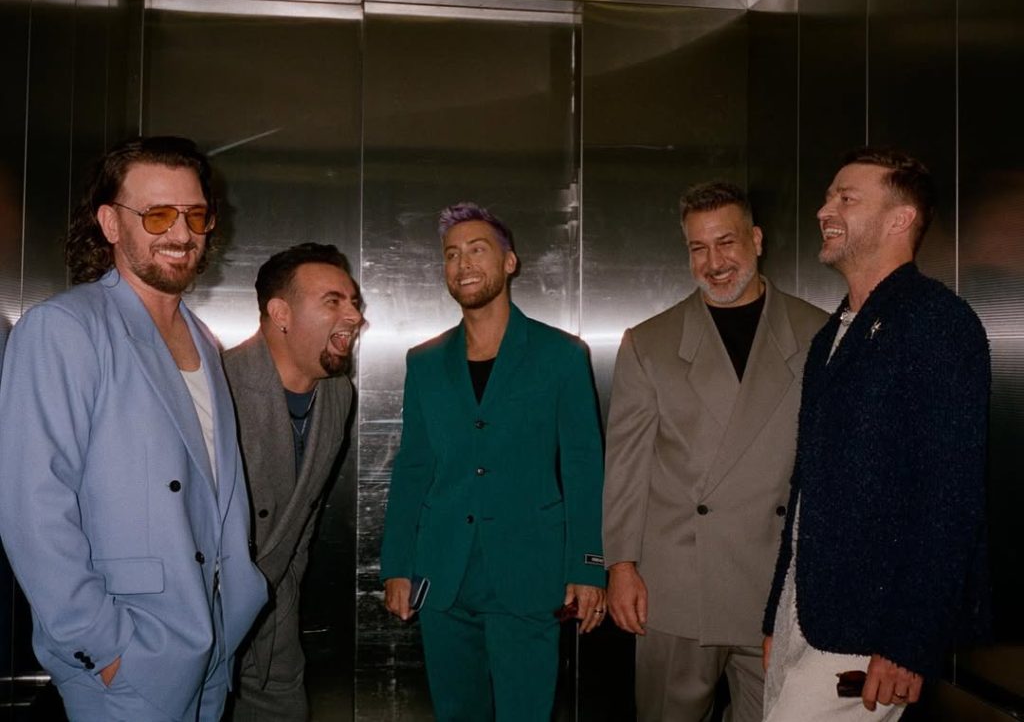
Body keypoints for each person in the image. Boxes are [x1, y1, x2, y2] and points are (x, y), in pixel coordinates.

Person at [0, 136, 267, 721]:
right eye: (157, 214)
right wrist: (105, 648)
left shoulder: (204, 340)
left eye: (195, 214)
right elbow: (32, 509)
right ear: (110, 224)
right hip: (130, 657)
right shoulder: (64, 328)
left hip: (212, 644)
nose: (181, 233)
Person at [762, 148, 991, 720]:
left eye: (847, 198)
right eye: (828, 197)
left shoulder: (938, 323)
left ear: (900, 219)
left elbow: (951, 498)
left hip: (870, 632)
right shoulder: (833, 333)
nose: (825, 210)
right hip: (806, 615)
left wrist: (908, 642)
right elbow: (806, 486)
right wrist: (777, 616)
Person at [602, 182, 827, 721]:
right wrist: (621, 565)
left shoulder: (817, 332)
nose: (714, 263)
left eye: (726, 243)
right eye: (698, 248)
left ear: (756, 239)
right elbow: (626, 467)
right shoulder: (649, 342)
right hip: (678, 584)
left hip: (777, 586)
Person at [380, 202, 606, 720]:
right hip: (442, 576)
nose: (463, 264)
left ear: (509, 262)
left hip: (530, 574)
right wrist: (397, 566)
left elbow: (584, 466)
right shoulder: (424, 361)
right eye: (451, 254)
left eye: (477, 250)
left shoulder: (562, 355)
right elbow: (413, 469)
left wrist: (588, 567)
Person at [224, 242, 362, 721]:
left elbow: (301, 525)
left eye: (353, 302)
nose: (354, 316)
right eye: (333, 301)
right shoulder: (217, 385)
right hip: (199, 620)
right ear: (280, 314)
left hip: (275, 628)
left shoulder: (338, 394)